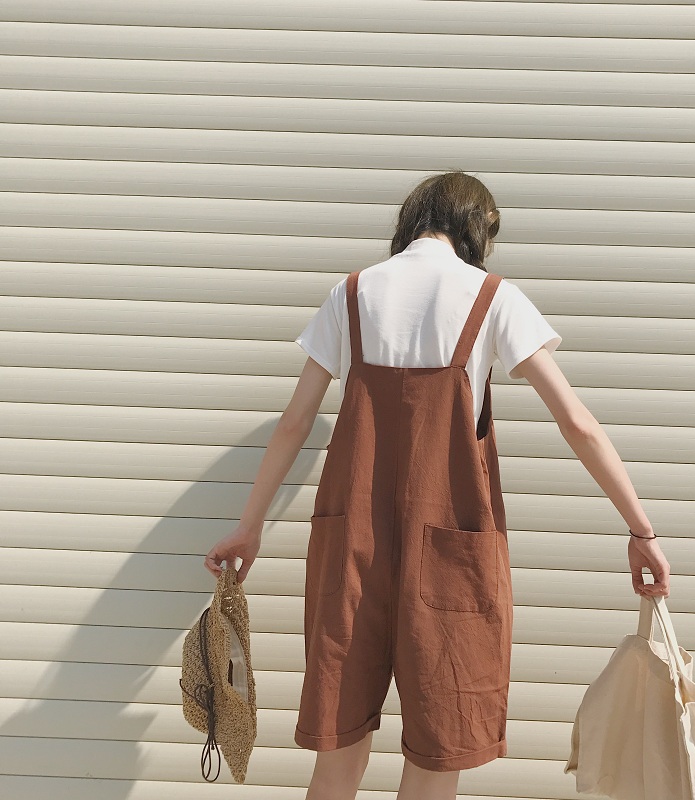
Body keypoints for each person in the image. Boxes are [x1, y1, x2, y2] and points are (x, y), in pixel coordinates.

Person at [204, 171, 671, 800]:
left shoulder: (352, 294)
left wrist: (250, 526)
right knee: (435, 758)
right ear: (477, 229)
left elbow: (294, 422)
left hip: (351, 548)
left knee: (337, 758)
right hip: (453, 553)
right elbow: (577, 423)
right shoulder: (492, 297)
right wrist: (641, 531)